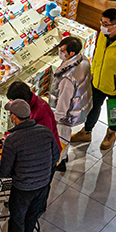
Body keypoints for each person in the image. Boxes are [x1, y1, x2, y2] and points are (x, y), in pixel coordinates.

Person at [0, 99, 60, 232]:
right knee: (32, 215)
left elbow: (4, 171)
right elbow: (56, 155)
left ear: (14, 117)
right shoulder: (45, 131)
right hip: (43, 185)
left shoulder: (13, 140)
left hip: (23, 188)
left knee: (17, 218)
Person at [71, 8, 116, 151]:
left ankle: (111, 134)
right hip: (98, 81)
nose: (102, 26)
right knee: (92, 107)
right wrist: (93, 73)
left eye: (105, 23)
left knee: (115, 111)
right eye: (101, 22)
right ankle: (86, 132)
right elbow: (97, 56)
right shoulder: (103, 35)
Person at [49, 36, 92, 173]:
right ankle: (64, 156)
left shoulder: (67, 77)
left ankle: (60, 161)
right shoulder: (83, 59)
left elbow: (63, 101)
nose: (59, 53)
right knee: (65, 136)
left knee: (62, 137)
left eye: (62, 51)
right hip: (79, 104)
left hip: (67, 114)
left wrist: (56, 118)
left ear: (71, 53)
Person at [6, 80, 60, 152]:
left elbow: (43, 140)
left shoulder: (42, 112)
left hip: (45, 153)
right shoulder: (27, 105)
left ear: (23, 101)